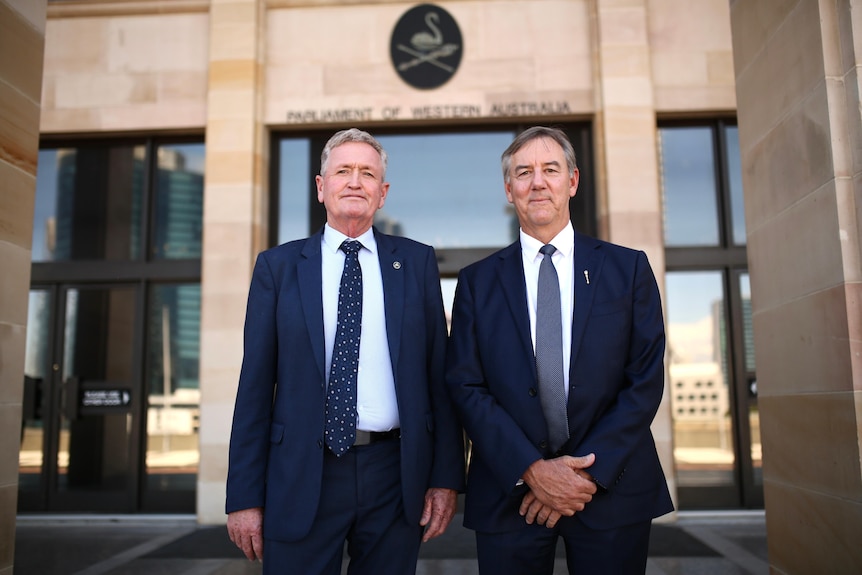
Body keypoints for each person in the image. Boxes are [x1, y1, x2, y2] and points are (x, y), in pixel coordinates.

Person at [226, 128, 465, 575]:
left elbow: (439, 377)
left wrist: (445, 479)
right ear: (321, 187)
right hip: (300, 473)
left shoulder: (415, 264)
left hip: (395, 475)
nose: (355, 181)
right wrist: (243, 497)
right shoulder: (277, 269)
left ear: (383, 192)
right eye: (343, 171)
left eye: (367, 173)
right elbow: (254, 387)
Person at [445, 126, 673, 574]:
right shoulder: (477, 282)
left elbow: (644, 379)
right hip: (512, 494)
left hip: (612, 485)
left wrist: (582, 475)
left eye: (551, 169)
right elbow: (466, 384)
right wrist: (532, 469)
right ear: (509, 190)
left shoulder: (626, 269)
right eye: (524, 172)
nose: (537, 182)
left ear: (572, 181)